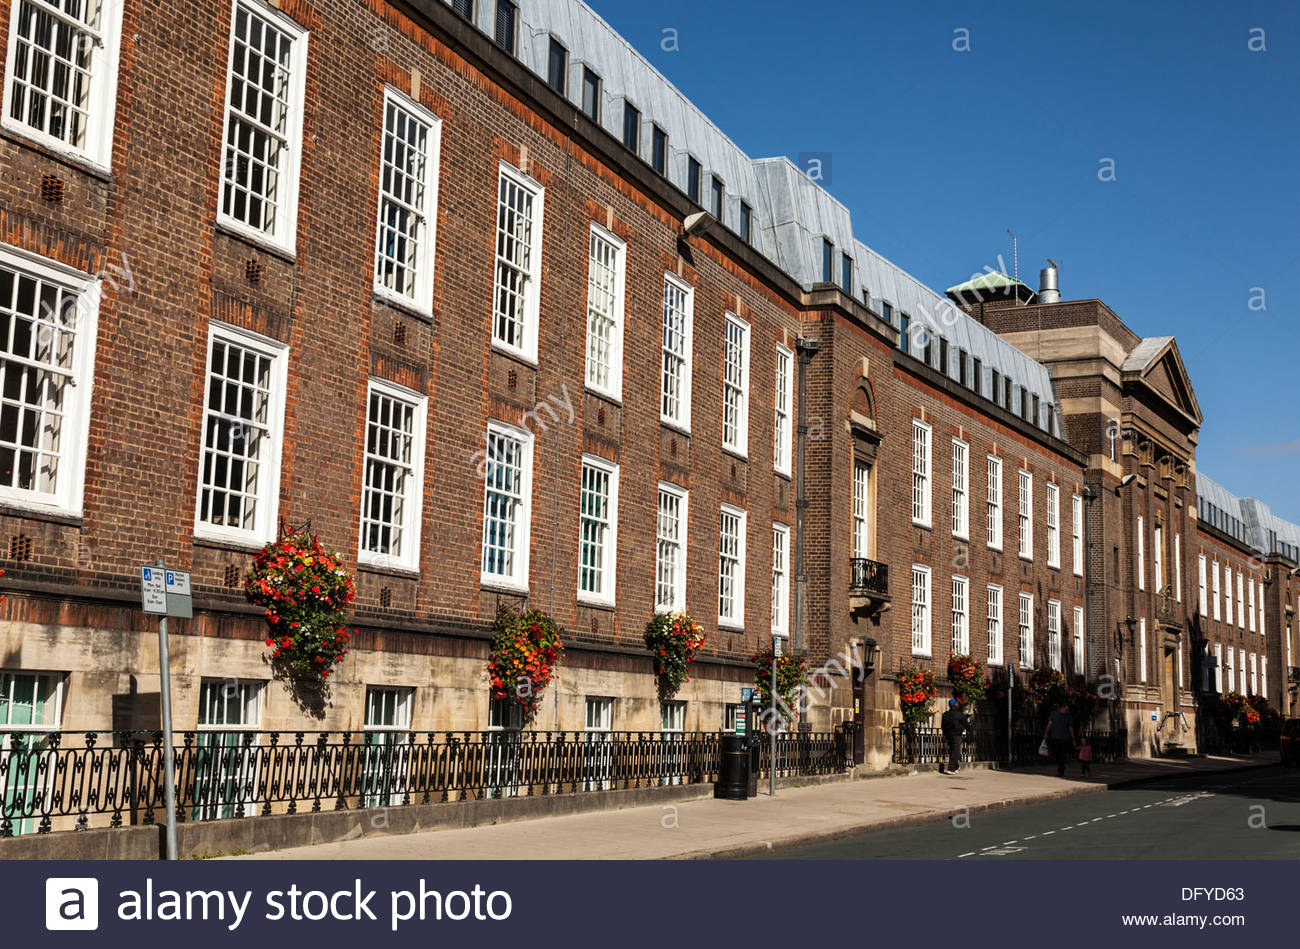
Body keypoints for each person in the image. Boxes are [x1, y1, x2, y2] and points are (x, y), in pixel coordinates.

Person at [1043, 702, 1077, 777]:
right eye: (1066, 709)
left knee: (1062, 754)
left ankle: (1061, 770)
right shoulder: (1054, 714)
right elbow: (1050, 724)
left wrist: (1073, 738)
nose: (1067, 710)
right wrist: (1046, 733)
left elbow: (1070, 727)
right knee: (1055, 753)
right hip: (1054, 737)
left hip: (1064, 738)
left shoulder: (1068, 716)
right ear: (1062, 707)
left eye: (1068, 709)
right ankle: (1061, 766)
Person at [940, 699, 966, 774]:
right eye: (957, 704)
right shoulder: (959, 714)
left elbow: (942, 726)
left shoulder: (945, 714)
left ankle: (956, 767)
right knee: (956, 751)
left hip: (948, 735)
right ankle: (951, 768)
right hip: (956, 735)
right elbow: (966, 724)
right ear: (955, 705)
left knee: (952, 751)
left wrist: (945, 733)